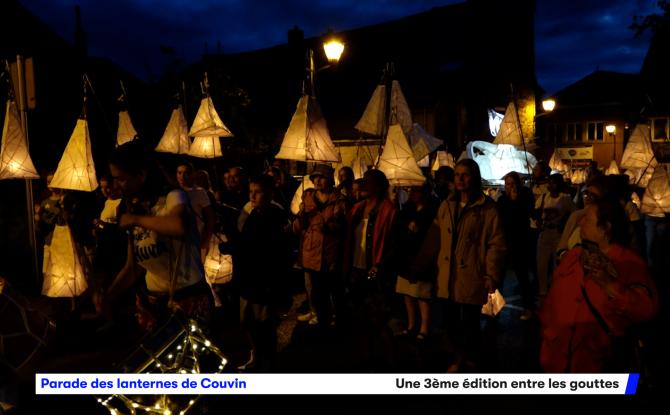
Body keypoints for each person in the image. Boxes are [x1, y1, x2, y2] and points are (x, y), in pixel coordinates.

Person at [102, 141, 212, 332]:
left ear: (141, 175)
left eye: (121, 179)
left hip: (187, 299)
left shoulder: (173, 197)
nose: (117, 186)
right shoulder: (134, 209)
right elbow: (134, 266)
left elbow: (179, 225)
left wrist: (136, 219)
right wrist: (108, 297)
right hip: (153, 305)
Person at [539, 198, 658, 373]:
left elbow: (646, 310)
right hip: (557, 361)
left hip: (598, 366)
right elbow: (552, 300)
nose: (580, 222)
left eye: (587, 219)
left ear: (605, 228)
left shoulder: (630, 263)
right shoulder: (574, 256)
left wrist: (611, 285)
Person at [415, 159, 506, 372]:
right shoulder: (446, 205)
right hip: (447, 277)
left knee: (471, 324)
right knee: (450, 322)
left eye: (465, 175)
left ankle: (465, 359)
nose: (460, 179)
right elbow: (434, 237)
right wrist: (420, 264)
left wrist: (491, 274)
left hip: (472, 275)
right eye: (457, 175)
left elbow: (496, 244)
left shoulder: (487, 209)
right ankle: (461, 356)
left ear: (474, 177)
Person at [228, 175, 292, 371]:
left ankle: (269, 364)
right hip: (248, 279)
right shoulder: (253, 214)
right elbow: (246, 241)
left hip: (264, 282)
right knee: (250, 323)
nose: (253, 196)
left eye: (258, 192)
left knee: (264, 326)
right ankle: (256, 355)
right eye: (250, 192)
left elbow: (272, 251)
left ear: (270, 193)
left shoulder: (275, 216)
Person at [343, 169, 399, 369]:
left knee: (380, 320)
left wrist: (380, 266)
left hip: (376, 273)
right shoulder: (356, 210)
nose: (363, 185)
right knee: (360, 319)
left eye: (368, 182)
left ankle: (391, 361)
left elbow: (394, 245)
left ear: (379, 186)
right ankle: (366, 357)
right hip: (356, 271)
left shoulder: (389, 211)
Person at [293, 164, 347, 327]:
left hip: (330, 252)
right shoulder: (307, 197)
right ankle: (317, 313)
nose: (317, 180)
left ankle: (335, 316)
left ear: (330, 180)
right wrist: (301, 215)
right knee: (313, 288)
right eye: (315, 177)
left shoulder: (338, 199)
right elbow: (299, 227)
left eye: (321, 177)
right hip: (310, 251)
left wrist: (329, 226)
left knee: (332, 288)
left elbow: (342, 227)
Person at [395, 184, 439, 341]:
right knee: (408, 294)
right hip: (406, 257)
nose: (412, 193)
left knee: (422, 295)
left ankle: (424, 327)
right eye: (411, 190)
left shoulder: (432, 211)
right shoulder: (407, 210)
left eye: (416, 190)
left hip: (422, 256)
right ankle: (411, 324)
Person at [497, 171, 535, 320]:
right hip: (504, 241)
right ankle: (494, 308)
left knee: (522, 276)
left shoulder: (525, 197)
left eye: (512, 184)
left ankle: (528, 308)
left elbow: (527, 215)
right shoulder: (501, 200)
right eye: (507, 184)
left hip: (520, 242)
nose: (510, 187)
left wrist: (516, 201)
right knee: (498, 277)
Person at [535, 173, 575, 297]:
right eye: (549, 182)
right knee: (541, 265)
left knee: (556, 265)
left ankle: (555, 290)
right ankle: (543, 291)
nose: (551, 185)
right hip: (545, 233)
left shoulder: (565, 199)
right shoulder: (543, 197)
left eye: (554, 182)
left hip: (558, 234)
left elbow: (575, 214)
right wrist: (538, 219)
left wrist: (565, 225)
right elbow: (536, 212)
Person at [176, 162, 216, 259]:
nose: (182, 176)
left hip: (194, 238)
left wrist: (207, 239)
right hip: (177, 239)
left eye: (186, 173)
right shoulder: (174, 191)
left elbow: (210, 217)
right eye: (179, 173)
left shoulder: (199, 192)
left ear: (192, 174)